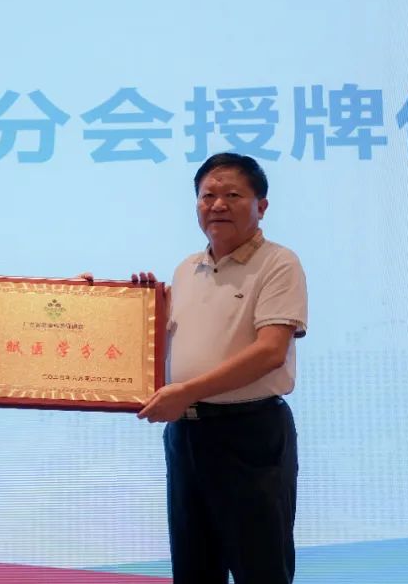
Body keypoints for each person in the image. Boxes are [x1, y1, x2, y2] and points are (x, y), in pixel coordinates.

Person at [136, 152, 308, 584]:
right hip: (187, 435)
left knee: (260, 568)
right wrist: (114, 305)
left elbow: (270, 351)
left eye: (233, 195)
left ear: (261, 206)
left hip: (250, 435)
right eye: (207, 195)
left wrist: (187, 391)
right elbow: (159, 345)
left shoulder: (278, 263)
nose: (217, 205)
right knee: (194, 568)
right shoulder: (186, 269)